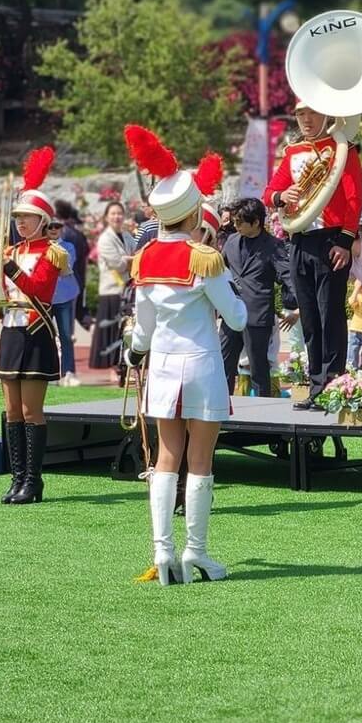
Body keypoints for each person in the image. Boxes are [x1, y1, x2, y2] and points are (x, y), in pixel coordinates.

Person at [124, 126, 248, 584]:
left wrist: (134, 353)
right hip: (200, 365)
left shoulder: (144, 259)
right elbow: (235, 319)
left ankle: (164, 555)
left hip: (161, 365)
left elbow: (144, 328)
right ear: (195, 209)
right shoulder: (205, 258)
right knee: (201, 460)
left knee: (163, 459)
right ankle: (196, 551)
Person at [263, 101, 362, 410]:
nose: (306, 120)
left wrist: (345, 241)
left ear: (326, 115)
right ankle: (317, 383)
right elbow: (269, 192)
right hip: (299, 240)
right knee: (309, 316)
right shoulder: (292, 153)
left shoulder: (343, 150)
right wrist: (283, 196)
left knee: (329, 315)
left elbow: (354, 198)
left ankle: (332, 383)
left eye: (312, 113)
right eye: (300, 114)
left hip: (330, 240)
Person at [0, 148, 67, 505]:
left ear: (42, 220)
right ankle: (16, 477)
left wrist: (8, 269)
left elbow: (39, 289)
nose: (21, 223)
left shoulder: (53, 253)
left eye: (28, 217)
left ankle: (33, 481)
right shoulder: (11, 251)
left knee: (30, 411)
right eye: (18, 217)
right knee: (10, 411)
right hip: (11, 328)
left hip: (35, 331)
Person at [219, 196, 291, 397]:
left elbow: (287, 277)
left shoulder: (274, 246)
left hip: (257, 317)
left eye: (240, 221)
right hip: (230, 313)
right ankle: (221, 409)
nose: (236, 225)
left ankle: (264, 414)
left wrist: (292, 306)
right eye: (235, 220)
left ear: (257, 222)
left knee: (259, 369)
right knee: (224, 364)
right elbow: (220, 270)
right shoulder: (231, 241)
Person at [89, 202, 136, 380]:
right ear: (107, 217)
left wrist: (128, 259)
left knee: (124, 329)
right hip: (111, 290)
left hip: (127, 289)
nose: (117, 217)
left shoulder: (127, 235)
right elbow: (118, 263)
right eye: (113, 214)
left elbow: (135, 254)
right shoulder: (105, 239)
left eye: (119, 213)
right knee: (111, 330)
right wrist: (130, 259)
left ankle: (122, 365)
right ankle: (112, 369)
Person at [48, 220, 82, 386]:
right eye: (50, 226)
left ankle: (68, 371)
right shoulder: (40, 247)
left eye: (57, 226)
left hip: (65, 296)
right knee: (45, 336)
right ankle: (48, 372)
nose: (53, 229)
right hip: (45, 298)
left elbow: (65, 267)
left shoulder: (68, 246)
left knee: (66, 336)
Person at [53, 199, 91, 330]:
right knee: (67, 328)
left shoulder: (59, 235)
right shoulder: (78, 234)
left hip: (59, 283)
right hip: (75, 282)